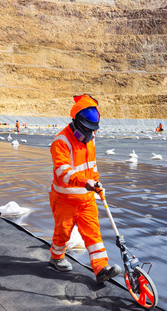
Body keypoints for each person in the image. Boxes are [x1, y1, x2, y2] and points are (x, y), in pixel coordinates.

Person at [48, 94, 121, 283]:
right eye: (87, 129)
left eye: (92, 130)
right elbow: (63, 172)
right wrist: (84, 182)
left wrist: (96, 183)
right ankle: (56, 257)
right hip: (65, 199)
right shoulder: (61, 142)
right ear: (77, 122)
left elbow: (92, 165)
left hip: (87, 198)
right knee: (63, 232)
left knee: (93, 233)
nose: (90, 134)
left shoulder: (91, 138)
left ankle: (101, 269)